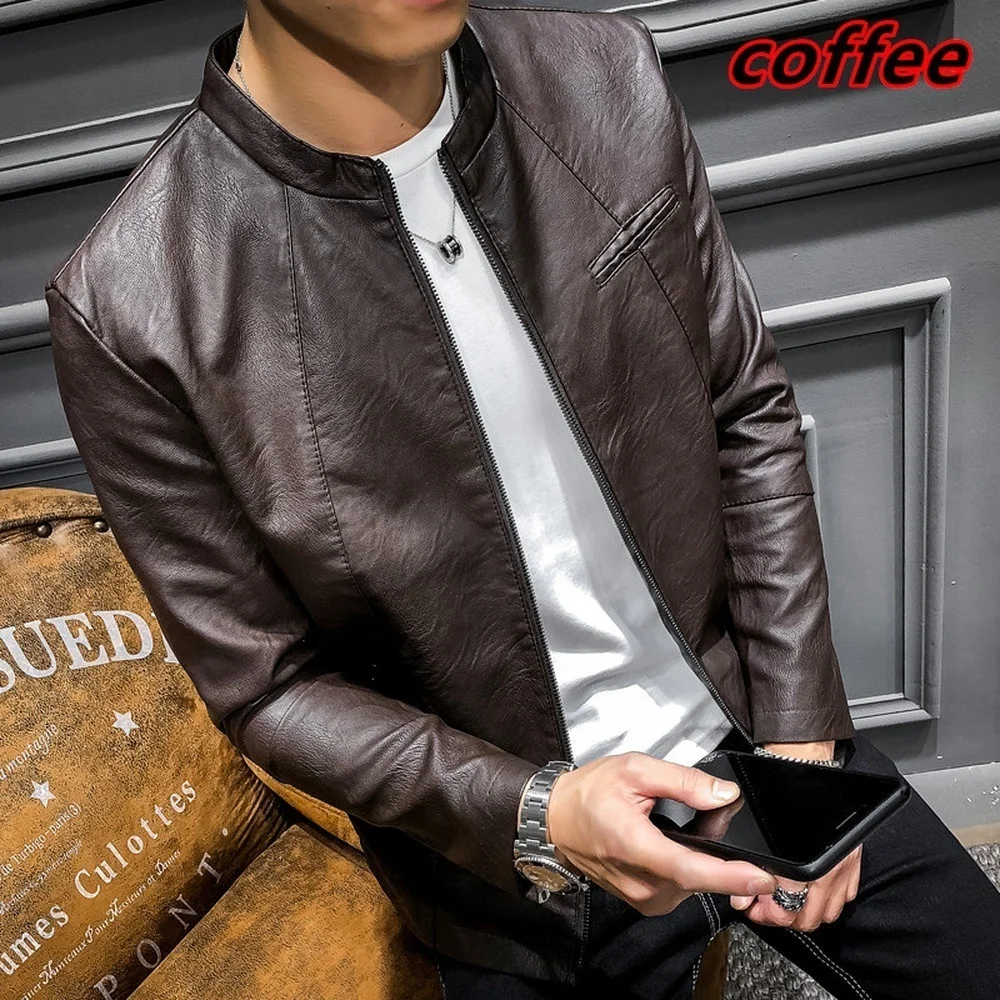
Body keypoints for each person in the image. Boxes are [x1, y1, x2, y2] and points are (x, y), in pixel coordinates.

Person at [43, 2, 1000, 998]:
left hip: (750, 728)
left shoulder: (600, 73)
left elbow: (740, 404)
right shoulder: (134, 302)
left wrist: (803, 748)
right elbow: (268, 688)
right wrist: (538, 812)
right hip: (512, 872)